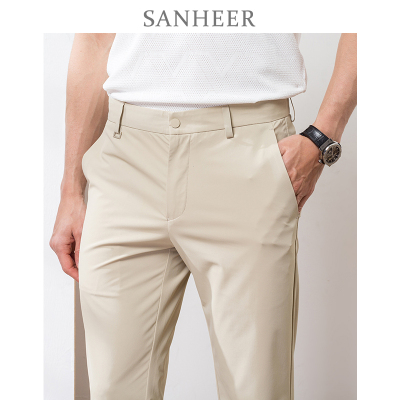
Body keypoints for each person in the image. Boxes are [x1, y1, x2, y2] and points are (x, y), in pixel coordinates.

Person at [50, 33, 357, 400]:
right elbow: (95, 38)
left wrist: (323, 137)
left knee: (255, 389)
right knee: (114, 390)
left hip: (248, 156)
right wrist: (71, 191)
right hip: (124, 159)